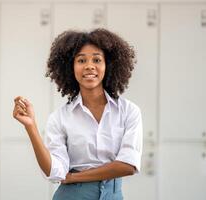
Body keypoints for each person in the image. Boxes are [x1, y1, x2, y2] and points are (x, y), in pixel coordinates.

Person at [13, 28, 143, 200]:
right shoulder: (60, 118)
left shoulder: (128, 111)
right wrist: (31, 126)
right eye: (81, 60)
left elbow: (128, 165)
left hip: (113, 195)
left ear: (108, 65)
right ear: (71, 67)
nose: (89, 65)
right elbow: (54, 172)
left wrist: (74, 177)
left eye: (97, 59)